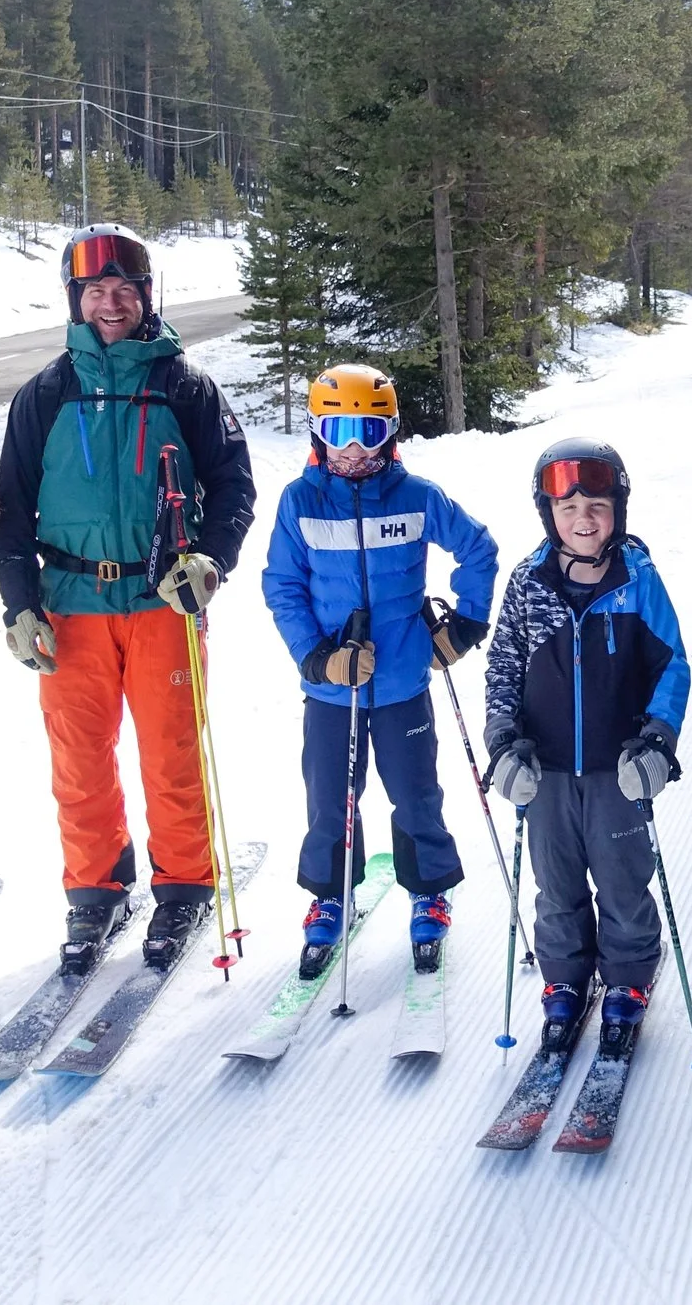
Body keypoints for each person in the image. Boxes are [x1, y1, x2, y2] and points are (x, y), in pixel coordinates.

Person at [0, 224, 256, 972]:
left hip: (162, 601)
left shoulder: (185, 385)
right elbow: (9, 510)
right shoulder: (46, 393)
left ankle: (184, 885)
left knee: (171, 751)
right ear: (74, 300)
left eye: (124, 290)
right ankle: (95, 888)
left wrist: (211, 560)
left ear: (146, 295)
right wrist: (19, 603)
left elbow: (234, 486)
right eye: (95, 291)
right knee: (78, 758)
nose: (111, 303)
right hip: (69, 604)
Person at [262, 363, 499, 978]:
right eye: (337, 432)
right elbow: (282, 586)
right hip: (331, 690)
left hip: (402, 686)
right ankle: (329, 895)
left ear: (389, 433)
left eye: (368, 432)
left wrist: (464, 626)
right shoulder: (300, 502)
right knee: (330, 798)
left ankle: (429, 892)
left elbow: (478, 549)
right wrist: (319, 657)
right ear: (316, 433)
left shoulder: (417, 497)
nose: (353, 449)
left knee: (416, 794)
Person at [482, 438, 690, 1055]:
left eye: (597, 506)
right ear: (548, 514)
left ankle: (627, 978)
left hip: (616, 771)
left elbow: (672, 666)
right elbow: (503, 667)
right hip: (544, 773)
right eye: (568, 508)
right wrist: (503, 743)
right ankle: (565, 979)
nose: (584, 519)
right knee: (557, 885)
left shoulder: (637, 582)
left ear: (617, 509)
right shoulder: (528, 583)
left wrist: (658, 742)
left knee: (623, 881)